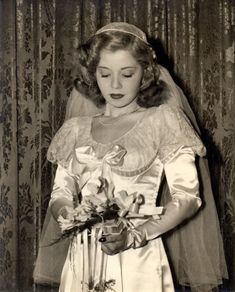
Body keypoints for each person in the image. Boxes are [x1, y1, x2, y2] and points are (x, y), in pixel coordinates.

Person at [33, 22, 228, 292]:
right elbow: (60, 194)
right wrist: (71, 215)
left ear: (145, 73)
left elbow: (187, 198)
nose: (114, 85)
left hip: (139, 259)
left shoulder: (163, 122)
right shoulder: (75, 130)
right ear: (93, 74)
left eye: (127, 74)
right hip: (83, 258)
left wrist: (135, 235)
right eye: (104, 74)